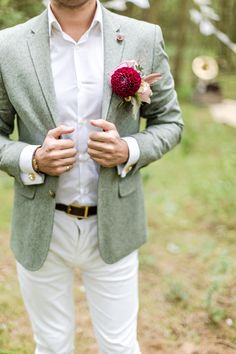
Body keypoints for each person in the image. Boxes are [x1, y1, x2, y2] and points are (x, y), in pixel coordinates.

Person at [0, 0, 184, 353]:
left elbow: (170, 122)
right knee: (51, 345)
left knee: (120, 346)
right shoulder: (8, 45)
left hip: (114, 225)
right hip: (41, 226)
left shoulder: (142, 37)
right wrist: (33, 158)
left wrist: (128, 149)